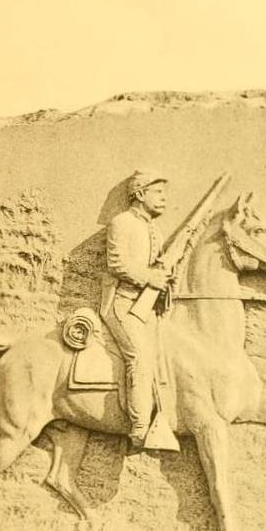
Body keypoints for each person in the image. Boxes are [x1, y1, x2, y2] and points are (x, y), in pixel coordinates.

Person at [101, 170, 174, 451]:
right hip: (122, 303)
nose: (164, 198)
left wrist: (166, 279)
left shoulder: (155, 229)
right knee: (140, 358)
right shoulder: (122, 222)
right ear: (140, 194)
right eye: (158, 192)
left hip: (147, 308)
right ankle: (140, 427)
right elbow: (117, 264)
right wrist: (149, 277)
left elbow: (158, 270)